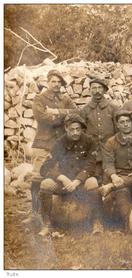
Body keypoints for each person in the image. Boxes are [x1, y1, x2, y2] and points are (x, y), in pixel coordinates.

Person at [37, 114, 103, 236]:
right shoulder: (59, 143)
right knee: (45, 184)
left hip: (82, 182)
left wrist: (77, 181)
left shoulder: (90, 142)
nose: (75, 132)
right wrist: (62, 178)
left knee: (93, 182)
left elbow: (91, 166)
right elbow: (45, 167)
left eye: (78, 129)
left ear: (82, 129)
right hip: (64, 183)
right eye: (72, 129)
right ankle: (47, 225)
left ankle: (96, 222)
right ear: (66, 128)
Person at [28, 70, 76, 222]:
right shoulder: (39, 98)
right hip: (43, 143)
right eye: (53, 81)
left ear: (62, 84)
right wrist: (63, 118)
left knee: (57, 177)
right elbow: (41, 117)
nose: (56, 84)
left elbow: (76, 114)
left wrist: (56, 111)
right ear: (48, 82)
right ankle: (34, 214)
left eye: (59, 82)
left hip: (61, 146)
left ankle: (52, 213)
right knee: (37, 178)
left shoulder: (65, 99)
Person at [100, 110, 132, 229]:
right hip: (119, 174)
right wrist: (113, 176)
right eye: (122, 122)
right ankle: (129, 224)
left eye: (128, 121)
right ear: (117, 125)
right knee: (122, 192)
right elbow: (108, 163)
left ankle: (111, 187)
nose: (125, 124)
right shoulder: (111, 142)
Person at [79, 78, 119, 181]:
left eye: (100, 88)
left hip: (111, 151)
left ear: (105, 90)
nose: (97, 91)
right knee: (95, 178)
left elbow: (118, 130)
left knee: (110, 176)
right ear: (90, 90)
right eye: (94, 88)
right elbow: (82, 132)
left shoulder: (113, 108)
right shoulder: (85, 110)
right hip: (93, 152)